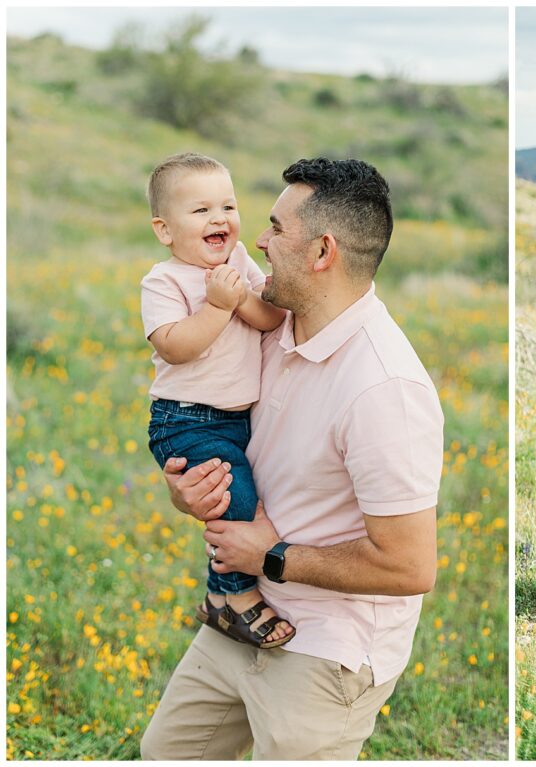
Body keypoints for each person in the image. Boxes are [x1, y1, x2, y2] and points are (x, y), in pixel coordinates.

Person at [140, 158, 444, 760]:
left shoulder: (383, 389)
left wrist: (270, 556)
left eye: (275, 229)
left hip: (326, 649)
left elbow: (411, 569)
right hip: (241, 613)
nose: (254, 238)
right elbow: (216, 429)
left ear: (322, 251)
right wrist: (191, 489)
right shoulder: (269, 329)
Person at [140, 152, 293, 648]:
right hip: (185, 420)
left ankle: (219, 599)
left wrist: (239, 297)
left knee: (240, 496)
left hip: (234, 420)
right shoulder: (164, 281)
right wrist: (218, 306)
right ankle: (235, 596)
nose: (219, 219)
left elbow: (269, 318)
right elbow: (175, 345)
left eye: (227, 206)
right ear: (165, 230)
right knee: (236, 501)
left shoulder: (238, 261)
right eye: (201, 210)